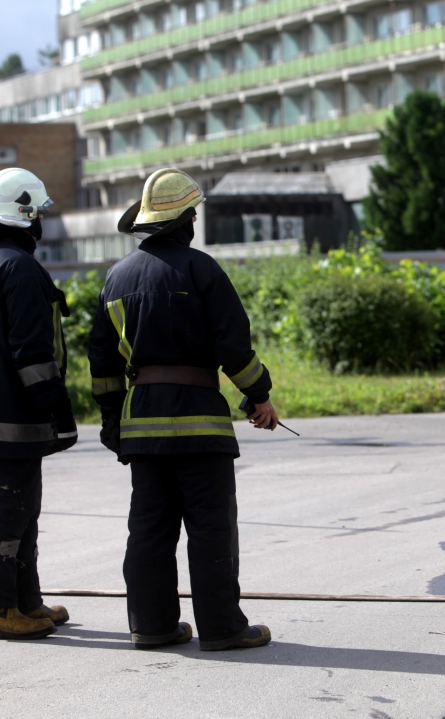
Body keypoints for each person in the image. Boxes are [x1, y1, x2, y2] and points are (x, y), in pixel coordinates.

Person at [88, 168, 277, 650]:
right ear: (185, 221)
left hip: (142, 423)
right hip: (200, 422)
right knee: (210, 529)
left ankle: (151, 626)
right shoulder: (202, 269)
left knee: (149, 529)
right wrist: (259, 396)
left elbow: (103, 361)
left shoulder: (117, 278)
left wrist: (113, 420)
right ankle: (222, 628)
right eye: (193, 213)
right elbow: (234, 348)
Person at [0, 168, 78, 639]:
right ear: (26, 216)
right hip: (14, 415)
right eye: (39, 213)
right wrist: (57, 408)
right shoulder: (20, 268)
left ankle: (25, 601)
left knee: (22, 509)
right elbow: (32, 353)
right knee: (6, 510)